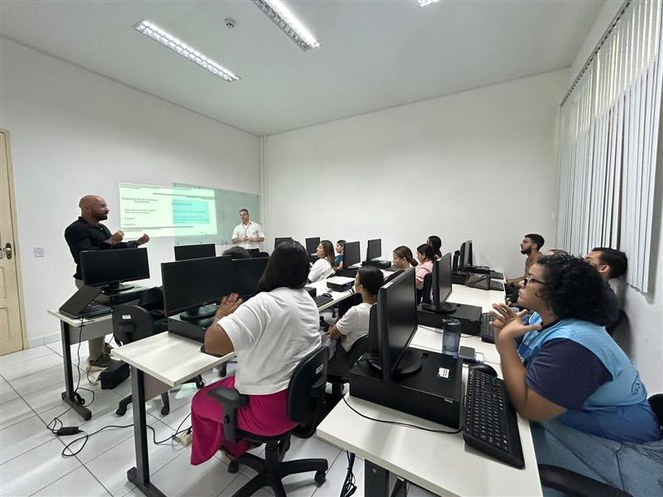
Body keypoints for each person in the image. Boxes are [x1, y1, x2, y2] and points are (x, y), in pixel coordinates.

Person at [490, 255, 662, 496]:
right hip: (572, 426)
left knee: (499, 476)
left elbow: (530, 408)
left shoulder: (576, 344)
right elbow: (530, 359)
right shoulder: (545, 318)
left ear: (552, 292)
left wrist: (506, 342)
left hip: (622, 453)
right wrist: (508, 333)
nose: (521, 283)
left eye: (529, 280)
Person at [190, 240, 321, 465]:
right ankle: (244, 440)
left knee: (198, 400)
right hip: (299, 403)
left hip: (266, 413)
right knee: (231, 382)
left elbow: (212, 344)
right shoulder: (306, 298)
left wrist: (221, 315)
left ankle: (234, 447)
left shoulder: (264, 303)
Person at [64, 195, 149, 370]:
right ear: (87, 208)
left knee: (117, 312)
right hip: (89, 282)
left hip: (108, 279)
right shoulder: (75, 229)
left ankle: (102, 349)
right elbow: (84, 255)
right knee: (99, 319)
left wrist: (135, 243)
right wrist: (111, 241)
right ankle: (96, 358)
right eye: (102, 206)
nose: (107, 209)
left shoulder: (102, 228)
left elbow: (112, 249)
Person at [326, 266, 383, 376]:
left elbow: (333, 335)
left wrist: (338, 327)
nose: (354, 283)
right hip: (361, 357)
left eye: (355, 280)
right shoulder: (380, 307)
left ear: (361, 287)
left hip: (340, 359)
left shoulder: (356, 312)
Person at [585, 247, 628, 330]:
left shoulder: (602, 300)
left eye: (588, 261)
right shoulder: (587, 290)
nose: (580, 264)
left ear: (603, 268)